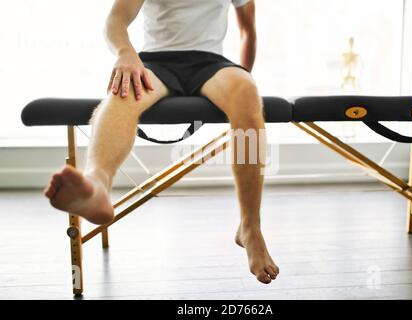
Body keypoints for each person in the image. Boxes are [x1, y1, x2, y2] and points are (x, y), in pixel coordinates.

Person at [44, 0, 279, 284]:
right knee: (122, 95)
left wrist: (241, 78)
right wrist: (125, 53)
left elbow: (247, 32)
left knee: (247, 92)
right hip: (154, 63)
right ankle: (96, 187)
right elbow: (116, 20)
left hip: (211, 63)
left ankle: (250, 227)